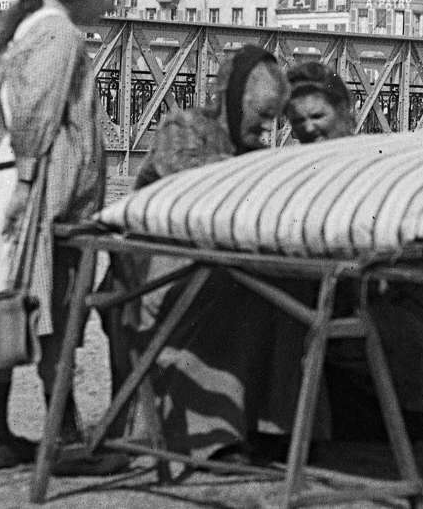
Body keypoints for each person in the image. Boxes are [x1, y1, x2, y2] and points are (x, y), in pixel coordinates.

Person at [100, 45, 315, 464]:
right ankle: (210, 435)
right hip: (149, 270)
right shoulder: (183, 128)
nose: (265, 129)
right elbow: (201, 191)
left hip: (201, 265)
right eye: (261, 116)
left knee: (289, 290)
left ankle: (271, 426)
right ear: (234, 100)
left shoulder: (250, 150)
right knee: (225, 292)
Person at [0, 0, 130, 475]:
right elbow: (36, 115)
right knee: (55, 312)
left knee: (12, 306)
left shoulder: (33, 26)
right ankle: (63, 439)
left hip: (17, 185)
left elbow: (1, 113)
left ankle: (0, 436)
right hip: (44, 197)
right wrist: (30, 187)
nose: (115, 3)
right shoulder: (59, 35)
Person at [283, 62, 423, 442]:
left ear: (346, 111)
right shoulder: (298, 169)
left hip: (385, 273)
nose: (308, 128)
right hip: (349, 281)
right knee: (400, 317)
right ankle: (410, 407)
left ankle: (420, 399)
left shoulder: (378, 158)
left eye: (318, 115)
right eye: (297, 121)